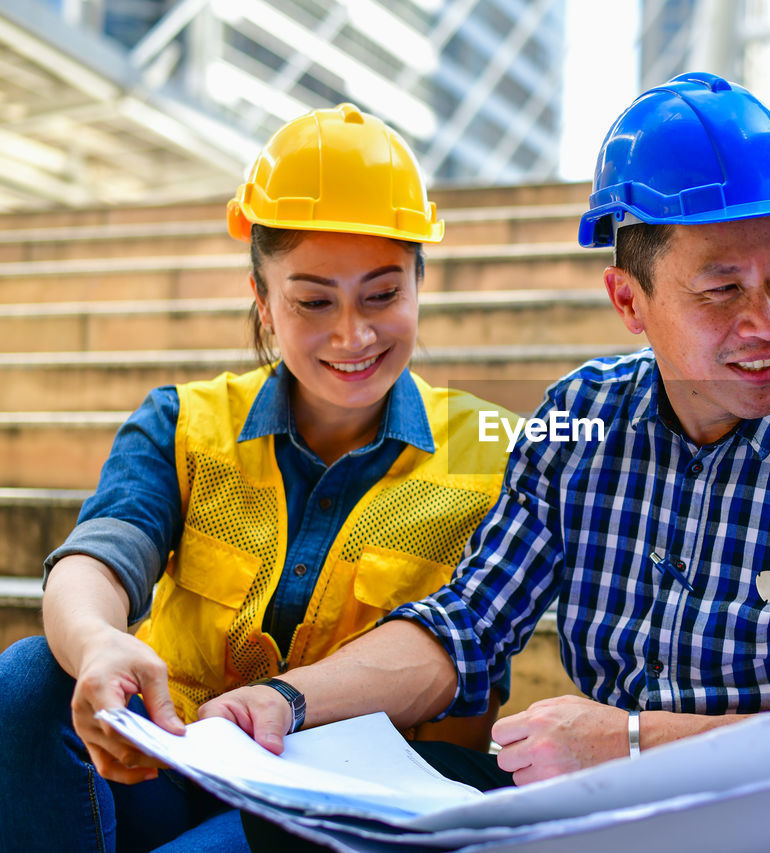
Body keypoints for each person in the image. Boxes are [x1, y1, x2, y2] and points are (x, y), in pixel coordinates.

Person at [214, 72, 770, 847]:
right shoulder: (581, 419)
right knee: (305, 817)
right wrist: (285, 700)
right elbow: (467, 623)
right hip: (591, 817)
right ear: (628, 300)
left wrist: (632, 741)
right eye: (721, 289)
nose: (768, 322)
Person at [0, 103, 513, 852]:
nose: (353, 334)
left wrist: (285, 704)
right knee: (31, 675)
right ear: (263, 300)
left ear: (419, 282)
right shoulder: (186, 423)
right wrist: (97, 642)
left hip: (353, 800)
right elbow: (103, 550)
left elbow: (460, 649)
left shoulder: (494, 453)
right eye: (312, 301)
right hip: (179, 763)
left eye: (383, 293)